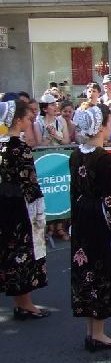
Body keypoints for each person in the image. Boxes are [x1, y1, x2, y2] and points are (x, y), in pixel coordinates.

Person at [70, 105, 111, 351]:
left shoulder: (76, 155)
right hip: (100, 220)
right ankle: (97, 334)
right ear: (102, 126)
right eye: (109, 122)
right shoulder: (105, 158)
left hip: (83, 217)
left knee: (86, 271)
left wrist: (74, 221)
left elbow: (74, 192)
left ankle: (91, 330)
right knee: (100, 270)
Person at [0, 100, 49, 320]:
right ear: (18, 119)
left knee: (11, 251)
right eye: (28, 118)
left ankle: (21, 302)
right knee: (23, 251)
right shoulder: (19, 148)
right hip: (20, 205)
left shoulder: (1, 145)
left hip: (4, 203)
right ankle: (25, 304)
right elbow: (30, 182)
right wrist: (39, 211)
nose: (30, 122)